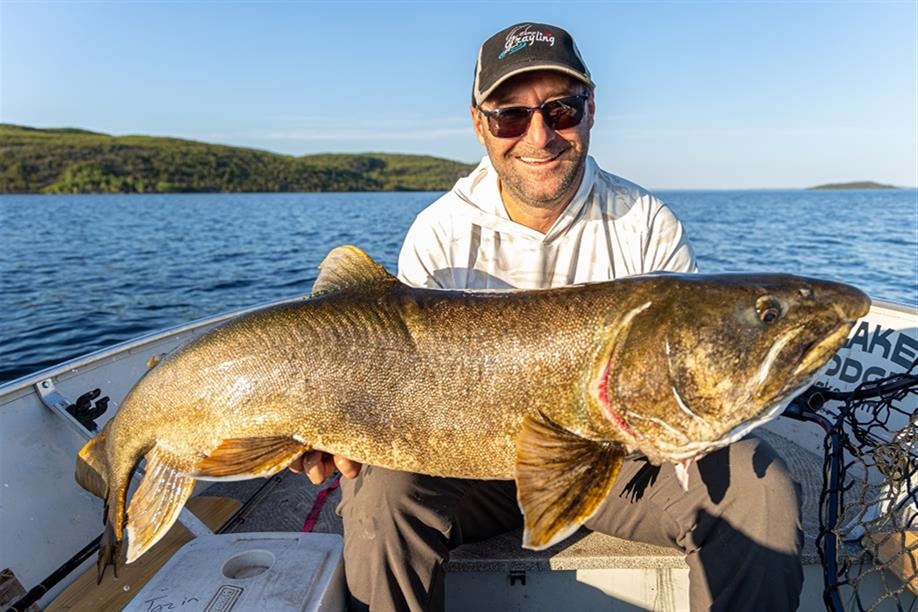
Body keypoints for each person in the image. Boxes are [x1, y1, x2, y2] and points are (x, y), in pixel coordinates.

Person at [290, 22, 803, 612]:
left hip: (614, 464)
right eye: (511, 115)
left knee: (757, 486)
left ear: (590, 111)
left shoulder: (646, 223)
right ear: (480, 124)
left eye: (561, 109)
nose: (539, 135)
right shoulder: (439, 232)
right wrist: (330, 428)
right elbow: (399, 381)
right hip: (464, 470)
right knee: (378, 491)